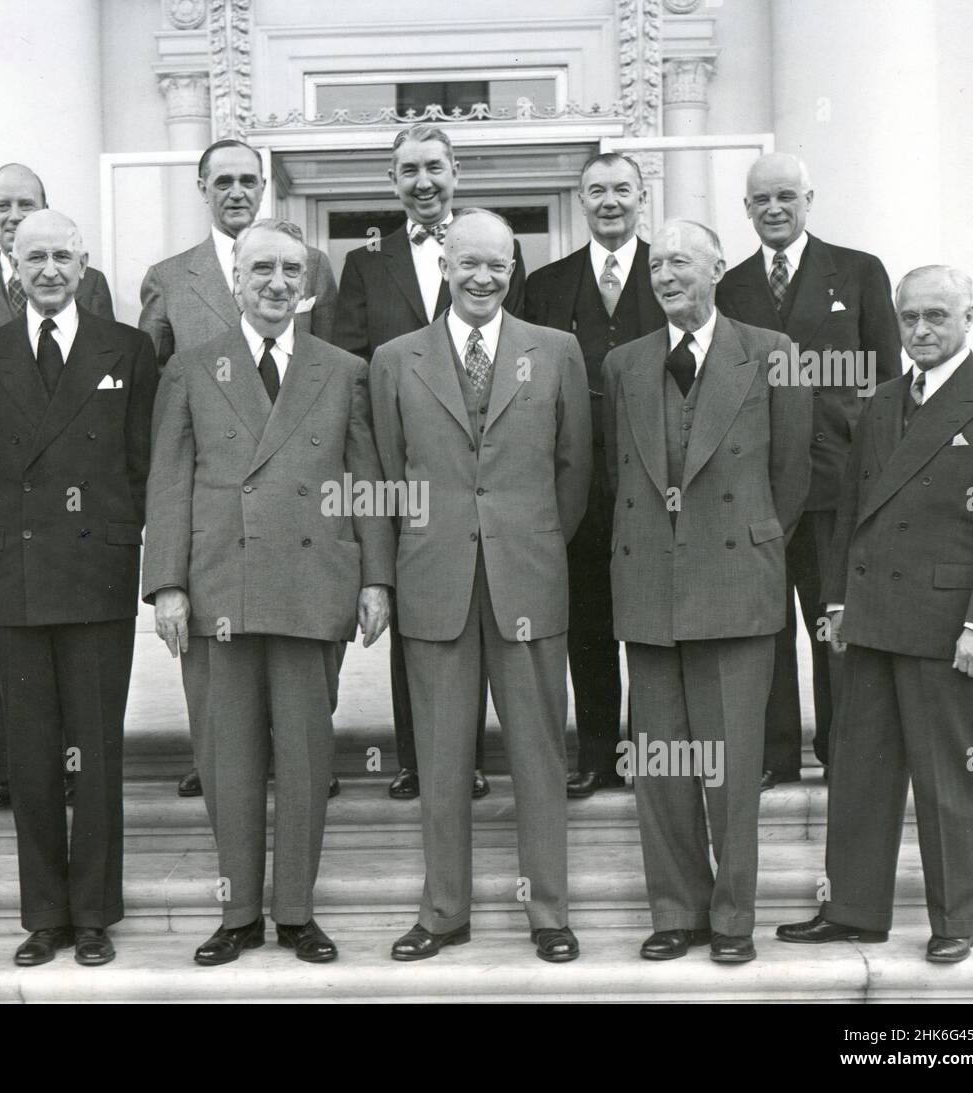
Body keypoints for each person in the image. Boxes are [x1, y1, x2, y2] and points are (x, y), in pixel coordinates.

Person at [145, 218, 393, 965]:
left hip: (313, 586)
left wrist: (376, 577)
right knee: (227, 758)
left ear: (308, 285)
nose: (278, 283)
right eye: (262, 270)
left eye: (291, 270)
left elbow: (366, 481)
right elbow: (169, 480)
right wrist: (167, 584)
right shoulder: (192, 367)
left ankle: (296, 913)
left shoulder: (343, 369)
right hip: (220, 585)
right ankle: (238, 913)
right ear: (236, 282)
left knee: (308, 759)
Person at [777, 266, 973, 964]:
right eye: (910, 316)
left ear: (969, 317)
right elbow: (851, 510)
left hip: (949, 629)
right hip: (870, 620)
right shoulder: (882, 400)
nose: (920, 329)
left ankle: (956, 921)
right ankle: (853, 910)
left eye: (936, 316)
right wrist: (835, 602)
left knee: (951, 780)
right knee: (859, 773)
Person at [370, 209, 591, 963]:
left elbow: (574, 470)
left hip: (528, 579)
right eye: (468, 262)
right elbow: (389, 477)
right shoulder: (395, 359)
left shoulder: (556, 351)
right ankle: (443, 912)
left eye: (498, 264)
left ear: (513, 268)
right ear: (445, 267)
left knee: (539, 755)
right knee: (440, 760)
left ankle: (549, 913)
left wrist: (530, 541)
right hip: (434, 583)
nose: (483, 277)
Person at [602, 219, 811, 964]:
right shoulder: (624, 363)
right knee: (660, 764)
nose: (665, 275)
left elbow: (792, 476)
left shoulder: (775, 353)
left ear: (718, 269)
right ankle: (676, 912)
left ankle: (732, 920)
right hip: (650, 586)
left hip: (734, 584)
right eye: (657, 264)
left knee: (729, 768)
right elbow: (617, 474)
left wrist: (750, 545)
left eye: (681, 262)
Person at [0, 210, 158, 968]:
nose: (48, 269)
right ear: (13, 265)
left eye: (62, 257)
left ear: (83, 266)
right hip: (16, 569)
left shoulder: (128, 348)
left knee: (95, 749)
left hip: (97, 568)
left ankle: (95, 912)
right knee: (31, 749)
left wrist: (114, 529)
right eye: (34, 256)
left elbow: (141, 460)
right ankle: (44, 913)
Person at [138, 139, 339, 800]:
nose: (236, 191)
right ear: (202, 187)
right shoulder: (170, 277)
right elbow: (157, 404)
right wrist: (166, 570)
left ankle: (302, 762)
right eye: (222, 180)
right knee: (225, 710)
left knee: (303, 695)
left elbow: (330, 382)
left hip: (299, 522)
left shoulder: (314, 266)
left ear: (263, 186)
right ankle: (225, 764)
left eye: (248, 180)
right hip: (221, 524)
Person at [337, 124, 525, 800]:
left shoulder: (496, 250)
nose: (423, 182)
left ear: (455, 173)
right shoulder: (365, 263)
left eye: (434, 168)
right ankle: (418, 759)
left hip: (486, 461)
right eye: (409, 170)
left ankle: (471, 759)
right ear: (393, 182)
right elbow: (353, 365)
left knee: (484, 617)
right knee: (418, 614)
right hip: (407, 460)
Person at [716, 153, 901, 790]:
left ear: (808, 200)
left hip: (834, 483)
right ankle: (775, 753)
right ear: (746, 209)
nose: (774, 209)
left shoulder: (858, 270)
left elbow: (886, 382)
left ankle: (842, 748)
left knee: (834, 622)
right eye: (761, 199)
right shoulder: (729, 286)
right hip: (757, 488)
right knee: (765, 626)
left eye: (786, 197)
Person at [0, 162, 115, 810]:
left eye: (26, 203)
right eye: (3, 205)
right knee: (8, 637)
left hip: (76, 503)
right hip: (0, 502)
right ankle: (13, 768)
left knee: (75, 640)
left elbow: (101, 381)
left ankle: (71, 764)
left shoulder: (89, 284)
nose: (14, 215)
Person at [524, 153, 665, 798]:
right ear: (581, 200)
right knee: (587, 624)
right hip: (575, 481)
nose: (611, 201)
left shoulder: (668, 275)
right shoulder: (548, 284)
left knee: (653, 623)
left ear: (642, 197)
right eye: (597, 190)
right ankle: (598, 756)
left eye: (622, 190)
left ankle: (654, 757)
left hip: (655, 480)